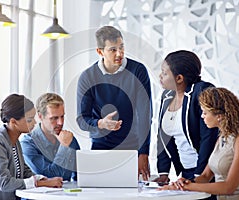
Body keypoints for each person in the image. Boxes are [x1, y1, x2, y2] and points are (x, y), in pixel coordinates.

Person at [76, 25, 152, 181]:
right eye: (112, 50)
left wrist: (144, 152)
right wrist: (101, 123)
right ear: (100, 51)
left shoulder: (138, 71)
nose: (120, 53)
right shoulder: (88, 77)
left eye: (121, 47)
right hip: (100, 148)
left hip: (133, 148)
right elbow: (82, 120)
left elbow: (145, 115)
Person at [161, 87, 239, 199]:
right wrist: (185, 182)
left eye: (205, 112)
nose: (202, 116)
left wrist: (189, 187)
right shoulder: (222, 138)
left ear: (219, 116)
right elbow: (205, 176)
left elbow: (229, 187)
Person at [0, 94, 63, 200]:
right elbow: (4, 183)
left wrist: (43, 180)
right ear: (13, 122)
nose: (35, 122)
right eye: (29, 120)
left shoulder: (15, 140)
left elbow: (24, 171)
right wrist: (39, 183)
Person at [154, 50, 219, 184]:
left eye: (165, 73)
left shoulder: (202, 91)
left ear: (179, 78)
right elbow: (163, 137)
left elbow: (208, 137)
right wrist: (163, 172)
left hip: (207, 171)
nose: (160, 76)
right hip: (185, 171)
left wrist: (199, 175)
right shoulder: (167, 96)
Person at [20, 93, 80, 181]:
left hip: (66, 193)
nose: (60, 122)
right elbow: (49, 177)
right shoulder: (28, 143)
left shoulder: (69, 139)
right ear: (40, 116)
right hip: (40, 194)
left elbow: (80, 175)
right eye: (54, 118)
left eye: (62, 116)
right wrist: (64, 146)